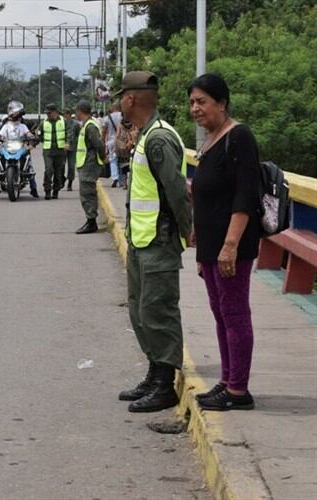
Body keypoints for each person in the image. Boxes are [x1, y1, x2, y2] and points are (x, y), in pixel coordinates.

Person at [115, 71, 192, 413]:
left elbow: (177, 191)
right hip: (142, 239)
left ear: (131, 99)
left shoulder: (159, 139)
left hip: (159, 241)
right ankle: (154, 371)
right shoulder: (145, 136)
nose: (119, 103)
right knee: (140, 309)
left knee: (158, 310)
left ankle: (165, 383)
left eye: (121, 97)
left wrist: (189, 231)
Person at [189, 73, 261, 411]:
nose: (195, 109)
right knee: (220, 314)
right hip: (210, 245)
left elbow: (245, 197)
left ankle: (238, 390)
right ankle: (226, 379)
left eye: (202, 102)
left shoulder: (239, 137)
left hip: (230, 246)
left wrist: (230, 245)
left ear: (222, 103)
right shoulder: (210, 140)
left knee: (234, 313)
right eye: (192, 102)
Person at [0, 101, 39, 199]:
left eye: (18, 114)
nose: (17, 116)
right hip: (7, 146)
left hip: (20, 146)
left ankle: (34, 189)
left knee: (29, 163)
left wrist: (32, 137)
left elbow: (28, 133)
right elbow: (0, 135)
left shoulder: (23, 126)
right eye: (15, 114)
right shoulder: (6, 126)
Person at [73, 100, 105, 234]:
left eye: (77, 111)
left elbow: (98, 144)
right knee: (87, 193)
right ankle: (90, 220)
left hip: (89, 164)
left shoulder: (90, 126)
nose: (76, 114)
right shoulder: (87, 124)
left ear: (80, 111)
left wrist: (103, 158)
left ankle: (91, 222)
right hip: (86, 163)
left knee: (87, 194)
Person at [39, 103, 67, 200]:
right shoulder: (43, 122)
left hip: (60, 150)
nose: (48, 115)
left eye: (49, 113)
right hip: (48, 151)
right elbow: (39, 135)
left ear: (55, 112)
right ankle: (47, 190)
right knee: (49, 170)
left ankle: (56, 190)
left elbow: (69, 133)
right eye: (47, 113)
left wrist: (68, 143)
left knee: (58, 172)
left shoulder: (64, 121)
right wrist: (32, 144)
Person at [103, 102, 124, 187]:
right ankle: (122, 179)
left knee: (113, 160)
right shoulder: (123, 116)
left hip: (111, 141)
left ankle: (115, 178)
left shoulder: (107, 118)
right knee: (122, 160)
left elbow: (104, 131)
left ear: (112, 108)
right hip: (122, 140)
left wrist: (103, 141)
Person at [63, 109, 81, 192]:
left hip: (73, 148)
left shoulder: (76, 124)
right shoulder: (61, 123)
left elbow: (79, 135)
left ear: (69, 114)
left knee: (71, 166)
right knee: (61, 166)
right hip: (62, 148)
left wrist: (72, 143)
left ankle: (70, 183)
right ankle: (61, 180)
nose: (64, 116)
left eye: (65, 114)